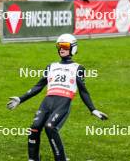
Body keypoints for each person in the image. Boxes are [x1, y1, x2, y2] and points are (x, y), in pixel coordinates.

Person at [7, 33, 108, 161]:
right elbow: (38, 86)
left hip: (63, 102)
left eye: (65, 46)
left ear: (73, 48)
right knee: (34, 127)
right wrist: (20, 99)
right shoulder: (51, 66)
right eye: (59, 46)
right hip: (47, 101)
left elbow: (83, 91)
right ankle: (32, 159)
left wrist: (92, 109)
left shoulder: (78, 68)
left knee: (50, 127)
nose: (61, 49)